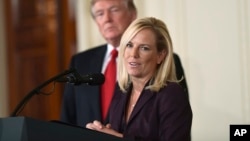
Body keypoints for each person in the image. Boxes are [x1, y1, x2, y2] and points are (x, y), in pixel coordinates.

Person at [60, 0, 189, 128]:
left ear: (132, 14)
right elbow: (67, 121)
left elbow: (177, 122)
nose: (107, 19)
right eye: (100, 13)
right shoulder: (80, 62)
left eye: (114, 10)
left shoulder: (167, 61)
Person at [86, 17, 192, 141]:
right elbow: (110, 131)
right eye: (129, 45)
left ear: (160, 55)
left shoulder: (171, 94)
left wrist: (118, 137)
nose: (133, 54)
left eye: (144, 48)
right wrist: (98, 131)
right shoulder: (121, 89)